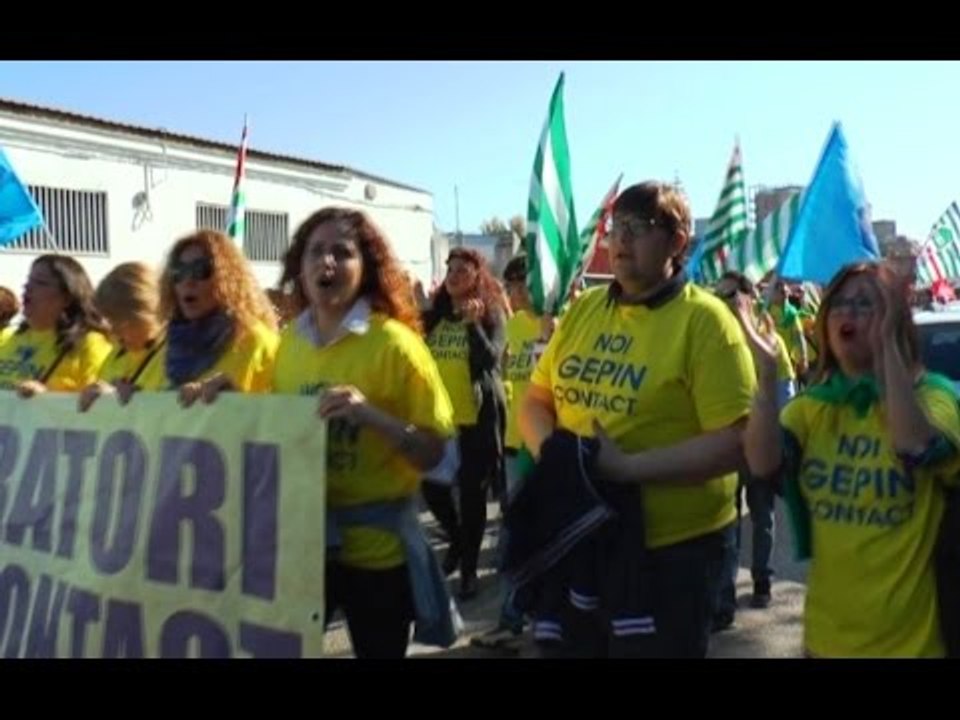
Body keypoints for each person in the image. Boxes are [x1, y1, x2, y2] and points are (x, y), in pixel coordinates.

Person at [519, 181, 756, 657]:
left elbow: (737, 443)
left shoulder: (706, 322)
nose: (621, 239)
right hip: (583, 533)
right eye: (616, 226)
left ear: (678, 242)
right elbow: (535, 400)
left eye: (640, 227)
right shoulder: (585, 309)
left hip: (672, 552)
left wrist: (627, 469)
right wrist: (559, 457)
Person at [261, 207, 455, 658]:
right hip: (305, 547)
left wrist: (371, 416)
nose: (325, 263)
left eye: (342, 252)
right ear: (298, 265)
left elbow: (434, 455)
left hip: (378, 556)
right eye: (314, 251)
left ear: (366, 269)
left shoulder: (396, 346)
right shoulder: (287, 344)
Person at [743, 262, 960, 657]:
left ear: (894, 318)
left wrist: (887, 348)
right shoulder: (814, 408)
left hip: (910, 647)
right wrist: (766, 372)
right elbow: (761, 463)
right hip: (825, 643)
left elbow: (915, 446)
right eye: (839, 303)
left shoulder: (936, 397)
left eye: (865, 304)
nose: (847, 312)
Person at [711, 271, 797, 630]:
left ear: (747, 298)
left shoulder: (769, 341)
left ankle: (762, 579)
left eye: (730, 296)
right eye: (719, 297)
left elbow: (786, 399)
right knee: (726, 524)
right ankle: (723, 596)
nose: (723, 304)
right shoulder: (713, 342)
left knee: (761, 515)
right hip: (726, 451)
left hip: (759, 450)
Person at [422, 247, 509, 600]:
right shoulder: (435, 316)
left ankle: (469, 569)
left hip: (476, 421)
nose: (454, 274)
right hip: (439, 422)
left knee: (473, 501)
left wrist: (473, 327)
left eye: (463, 269)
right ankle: (457, 541)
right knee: (432, 490)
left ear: (477, 276)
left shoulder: (491, 315)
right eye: (450, 268)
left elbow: (490, 360)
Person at [0, 255, 112, 395]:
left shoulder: (89, 344)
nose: (27, 286)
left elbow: (103, 406)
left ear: (67, 298)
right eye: (29, 280)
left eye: (40, 282)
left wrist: (48, 398)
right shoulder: (6, 338)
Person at [78, 262, 166, 412]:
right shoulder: (117, 354)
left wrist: (136, 400)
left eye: (121, 322)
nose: (113, 332)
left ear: (146, 313)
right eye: (110, 320)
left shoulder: (176, 352)